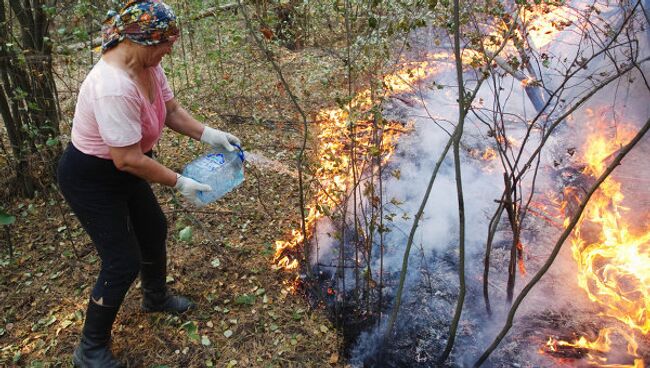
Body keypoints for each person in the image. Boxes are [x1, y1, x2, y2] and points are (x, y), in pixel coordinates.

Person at [56, 1, 240, 367]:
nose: (171, 49)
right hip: (92, 177)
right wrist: (179, 181)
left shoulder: (148, 66)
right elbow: (126, 158)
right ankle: (89, 349)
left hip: (124, 167)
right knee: (121, 261)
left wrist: (209, 134)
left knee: (153, 228)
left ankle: (154, 298)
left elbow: (170, 112)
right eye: (166, 42)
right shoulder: (112, 86)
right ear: (143, 39)